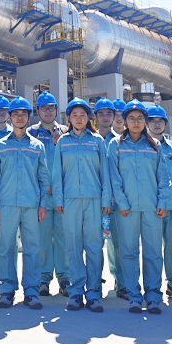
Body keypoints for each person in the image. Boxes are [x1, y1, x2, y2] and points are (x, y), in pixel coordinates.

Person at [108, 99, 170, 315]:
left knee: (153, 253)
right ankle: (134, 296)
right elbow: (114, 178)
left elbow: (163, 177)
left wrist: (162, 202)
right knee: (128, 253)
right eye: (132, 118)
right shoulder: (115, 145)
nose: (136, 122)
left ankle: (153, 296)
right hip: (127, 209)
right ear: (125, 121)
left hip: (152, 208)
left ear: (145, 121)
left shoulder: (154, 145)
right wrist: (121, 203)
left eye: (140, 118)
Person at [0, 96, 50, 310]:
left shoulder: (37, 146)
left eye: (24, 114)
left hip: (31, 205)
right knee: (6, 248)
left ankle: (31, 292)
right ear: (9, 116)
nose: (20, 117)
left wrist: (43, 203)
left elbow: (44, 177)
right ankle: (7, 290)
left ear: (28, 116)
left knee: (32, 248)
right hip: (6, 205)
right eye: (16, 114)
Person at [53, 98, 111, 313]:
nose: (79, 118)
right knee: (74, 247)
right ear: (68, 118)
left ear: (89, 118)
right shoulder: (63, 142)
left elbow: (105, 173)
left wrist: (106, 199)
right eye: (74, 115)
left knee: (94, 247)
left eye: (83, 115)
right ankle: (76, 292)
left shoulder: (97, 141)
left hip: (94, 200)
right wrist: (58, 199)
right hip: (70, 201)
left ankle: (94, 293)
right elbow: (57, 173)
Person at [30, 91, 69, 297]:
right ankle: (43, 278)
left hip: (62, 195)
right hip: (41, 197)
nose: (48, 112)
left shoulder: (66, 132)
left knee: (63, 238)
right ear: (37, 111)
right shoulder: (31, 134)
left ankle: (65, 278)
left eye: (51, 108)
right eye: (44, 108)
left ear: (56, 110)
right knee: (42, 239)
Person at [147, 105, 172, 302]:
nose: (157, 124)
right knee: (152, 248)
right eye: (153, 121)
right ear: (147, 124)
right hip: (150, 205)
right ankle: (152, 286)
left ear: (165, 124)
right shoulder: (143, 146)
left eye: (160, 121)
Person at [105, 97, 128, 299]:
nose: (119, 118)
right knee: (95, 244)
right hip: (99, 200)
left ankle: (121, 280)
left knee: (119, 243)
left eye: (122, 115)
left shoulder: (128, 141)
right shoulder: (99, 139)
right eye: (116, 114)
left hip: (121, 201)